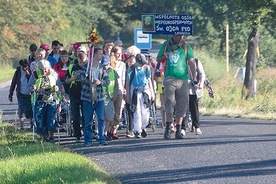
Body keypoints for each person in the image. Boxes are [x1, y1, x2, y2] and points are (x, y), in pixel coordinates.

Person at [156, 34, 197, 139]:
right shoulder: (166, 45)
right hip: (169, 78)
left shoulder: (186, 46)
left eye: (182, 35)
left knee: (182, 104)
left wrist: (194, 78)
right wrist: (165, 56)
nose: (181, 37)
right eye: (179, 35)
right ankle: (168, 128)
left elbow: (191, 61)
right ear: (174, 35)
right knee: (169, 102)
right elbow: (158, 59)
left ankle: (178, 129)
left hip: (183, 79)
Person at [27, 59, 63, 142]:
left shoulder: (54, 74)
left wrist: (57, 88)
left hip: (52, 99)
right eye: (41, 69)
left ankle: (51, 136)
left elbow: (60, 86)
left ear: (48, 68)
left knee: (52, 118)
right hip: (39, 100)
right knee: (40, 119)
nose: (44, 71)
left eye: (45, 69)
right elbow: (28, 88)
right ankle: (44, 137)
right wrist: (32, 88)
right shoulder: (35, 75)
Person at [81, 51, 110, 147]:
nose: (101, 55)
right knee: (88, 120)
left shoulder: (102, 67)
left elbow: (107, 81)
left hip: (99, 97)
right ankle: (88, 140)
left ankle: (102, 138)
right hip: (87, 97)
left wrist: (100, 82)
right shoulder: (87, 67)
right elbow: (80, 77)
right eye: (99, 54)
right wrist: (86, 75)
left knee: (101, 119)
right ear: (94, 55)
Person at [126, 53, 155, 138]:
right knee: (137, 110)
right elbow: (128, 83)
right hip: (135, 90)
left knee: (145, 110)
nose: (142, 64)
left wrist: (152, 92)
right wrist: (128, 95)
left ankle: (143, 126)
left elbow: (149, 80)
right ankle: (137, 130)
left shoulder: (146, 68)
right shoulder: (131, 69)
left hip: (144, 89)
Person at [182, 58, 206, 135]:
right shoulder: (180, 61)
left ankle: (196, 127)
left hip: (193, 88)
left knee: (194, 108)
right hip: (182, 87)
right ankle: (182, 128)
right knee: (183, 108)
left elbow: (202, 74)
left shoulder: (196, 61)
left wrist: (201, 84)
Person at [8, 59, 33, 130]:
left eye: (26, 66)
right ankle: (22, 126)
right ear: (20, 66)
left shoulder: (30, 71)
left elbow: (33, 81)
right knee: (21, 110)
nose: (25, 68)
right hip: (21, 94)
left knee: (30, 110)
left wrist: (28, 75)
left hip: (29, 94)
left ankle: (32, 123)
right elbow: (13, 83)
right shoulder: (17, 72)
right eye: (23, 67)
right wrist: (10, 94)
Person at [124, 45, 141, 138]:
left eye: (133, 56)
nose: (130, 59)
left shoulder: (141, 67)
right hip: (128, 89)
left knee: (138, 110)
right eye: (129, 56)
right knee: (129, 109)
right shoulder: (126, 67)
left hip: (137, 90)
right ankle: (130, 129)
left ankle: (138, 128)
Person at [109, 45, 126, 139]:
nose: (119, 55)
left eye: (120, 54)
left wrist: (123, 88)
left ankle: (114, 129)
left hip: (119, 89)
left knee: (118, 111)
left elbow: (123, 78)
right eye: (117, 54)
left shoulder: (122, 64)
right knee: (110, 111)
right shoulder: (109, 63)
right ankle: (108, 129)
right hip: (110, 89)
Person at [102, 55, 119, 141]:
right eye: (103, 64)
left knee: (109, 117)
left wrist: (115, 94)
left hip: (110, 97)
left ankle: (107, 132)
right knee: (101, 117)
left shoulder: (113, 72)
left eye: (106, 64)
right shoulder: (99, 71)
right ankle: (102, 133)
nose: (105, 66)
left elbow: (116, 84)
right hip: (100, 96)